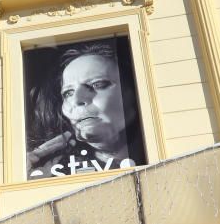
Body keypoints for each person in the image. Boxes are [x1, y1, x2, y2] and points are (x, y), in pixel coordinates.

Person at [26, 42, 143, 178]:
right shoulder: (53, 170)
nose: (76, 100)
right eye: (68, 93)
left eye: (97, 84)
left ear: (133, 92)